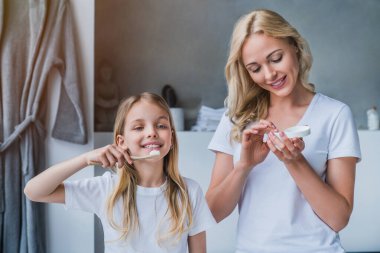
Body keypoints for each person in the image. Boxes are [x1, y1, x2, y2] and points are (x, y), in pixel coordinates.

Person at [206, 9, 361, 253]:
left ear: (294, 46)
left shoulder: (335, 114)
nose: (269, 75)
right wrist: (244, 166)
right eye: (255, 68)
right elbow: (212, 212)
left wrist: (295, 161)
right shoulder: (236, 119)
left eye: (276, 58)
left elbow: (339, 218)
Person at [24, 92, 215, 253]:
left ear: (171, 138)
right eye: (139, 127)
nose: (151, 132)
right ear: (121, 142)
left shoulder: (190, 191)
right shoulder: (107, 188)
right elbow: (34, 191)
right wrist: (84, 159)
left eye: (161, 125)